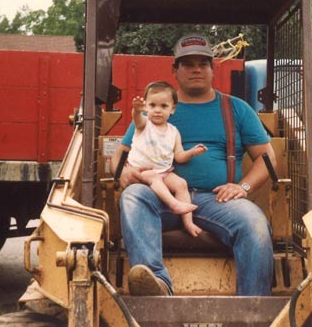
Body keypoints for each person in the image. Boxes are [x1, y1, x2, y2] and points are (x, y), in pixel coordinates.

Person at [111, 34, 275, 297]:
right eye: (188, 64)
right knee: (133, 196)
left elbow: (267, 160)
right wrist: (125, 172)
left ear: (213, 69)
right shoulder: (154, 112)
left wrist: (243, 187)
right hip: (161, 197)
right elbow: (119, 155)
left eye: (203, 63)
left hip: (218, 201)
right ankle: (157, 283)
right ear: (174, 70)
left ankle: (254, 310)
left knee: (254, 222)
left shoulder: (237, 109)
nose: (196, 69)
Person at [127, 80, 207, 236]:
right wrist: (136, 111)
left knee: (181, 184)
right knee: (154, 178)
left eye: (163, 106)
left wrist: (192, 152)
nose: (157, 110)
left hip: (164, 171)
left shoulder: (173, 131)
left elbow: (179, 156)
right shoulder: (144, 125)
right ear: (146, 107)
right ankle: (174, 204)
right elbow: (137, 119)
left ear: (172, 109)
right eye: (152, 105)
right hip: (142, 171)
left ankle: (188, 222)